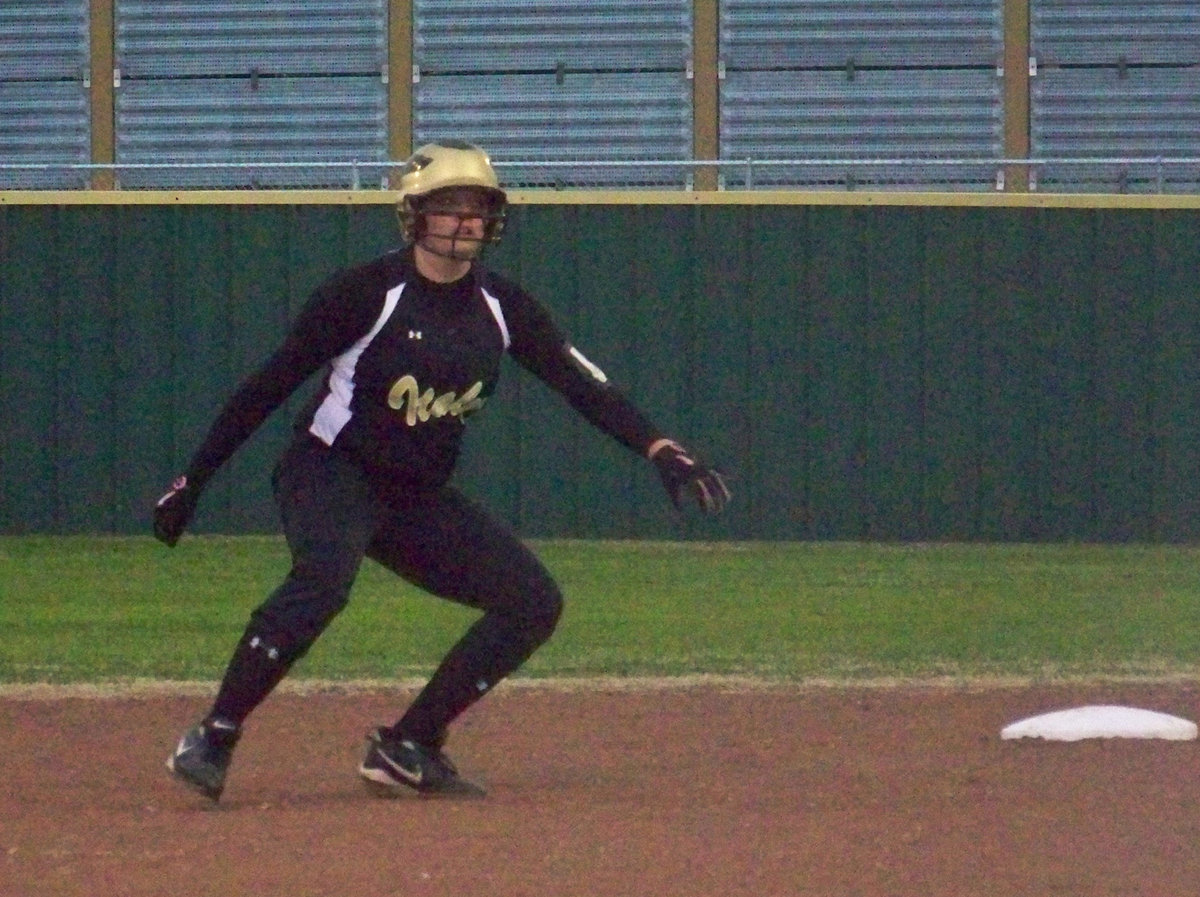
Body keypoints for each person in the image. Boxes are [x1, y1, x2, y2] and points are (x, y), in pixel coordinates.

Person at [153, 140, 730, 801]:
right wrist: (194, 478)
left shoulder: (502, 307)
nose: (466, 222)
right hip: (330, 469)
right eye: (449, 207)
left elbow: (581, 384)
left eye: (478, 209)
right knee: (323, 580)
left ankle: (409, 744)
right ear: (415, 215)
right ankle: (215, 735)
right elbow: (268, 384)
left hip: (413, 495)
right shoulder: (368, 294)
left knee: (533, 601)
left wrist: (659, 446)